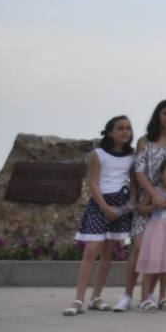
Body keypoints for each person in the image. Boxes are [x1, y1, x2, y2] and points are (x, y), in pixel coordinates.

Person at [116, 99, 166, 312]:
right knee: (139, 248)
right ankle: (127, 294)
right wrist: (153, 194)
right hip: (147, 200)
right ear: (158, 115)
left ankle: (149, 295)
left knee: (161, 252)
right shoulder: (144, 141)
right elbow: (139, 171)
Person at [64, 116, 136, 316]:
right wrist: (104, 207)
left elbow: (134, 182)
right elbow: (93, 183)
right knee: (91, 251)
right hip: (100, 205)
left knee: (108, 253)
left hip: (120, 206)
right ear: (111, 132)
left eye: (128, 128)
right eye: (120, 128)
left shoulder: (132, 156)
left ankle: (97, 297)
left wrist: (131, 202)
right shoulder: (99, 153)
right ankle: (78, 299)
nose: (125, 132)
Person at [136, 158, 166, 311]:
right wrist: (156, 205)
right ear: (162, 174)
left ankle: (163, 297)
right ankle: (144, 298)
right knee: (151, 265)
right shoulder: (154, 191)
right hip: (156, 229)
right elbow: (141, 209)